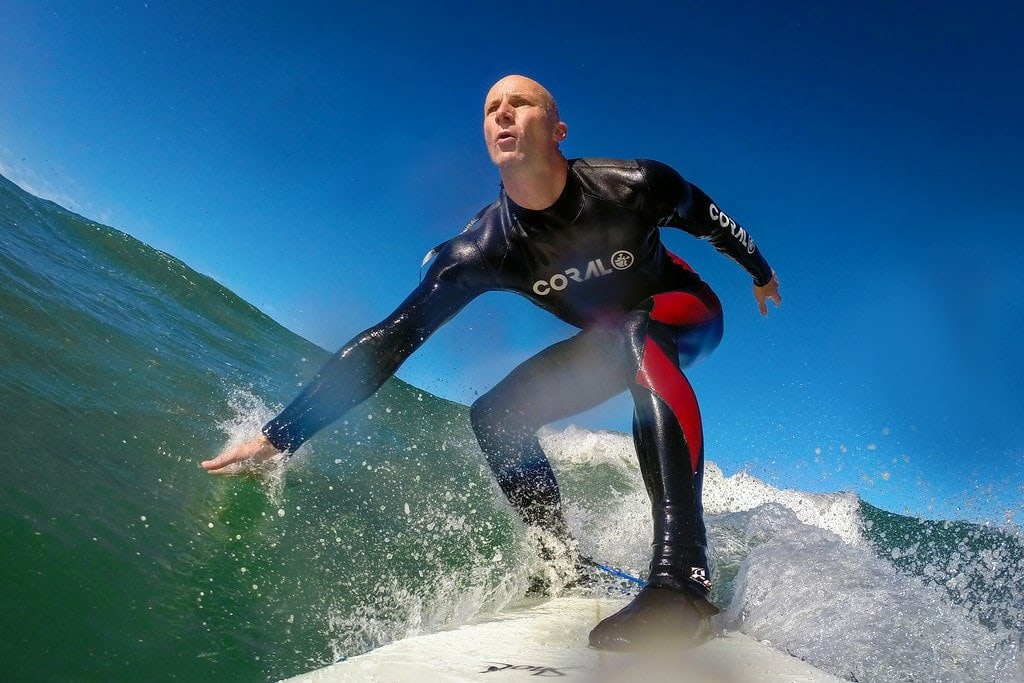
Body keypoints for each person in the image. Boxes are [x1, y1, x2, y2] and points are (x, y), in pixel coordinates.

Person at [201, 74, 781, 650]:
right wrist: (280, 436)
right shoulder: (484, 249)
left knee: (637, 330)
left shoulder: (632, 185)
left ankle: (683, 580)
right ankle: (560, 559)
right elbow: (393, 337)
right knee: (496, 415)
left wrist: (759, 272)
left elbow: (709, 218)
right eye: (490, 108)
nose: (502, 113)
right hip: (613, 342)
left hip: (687, 314)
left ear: (557, 129)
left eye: (520, 103)